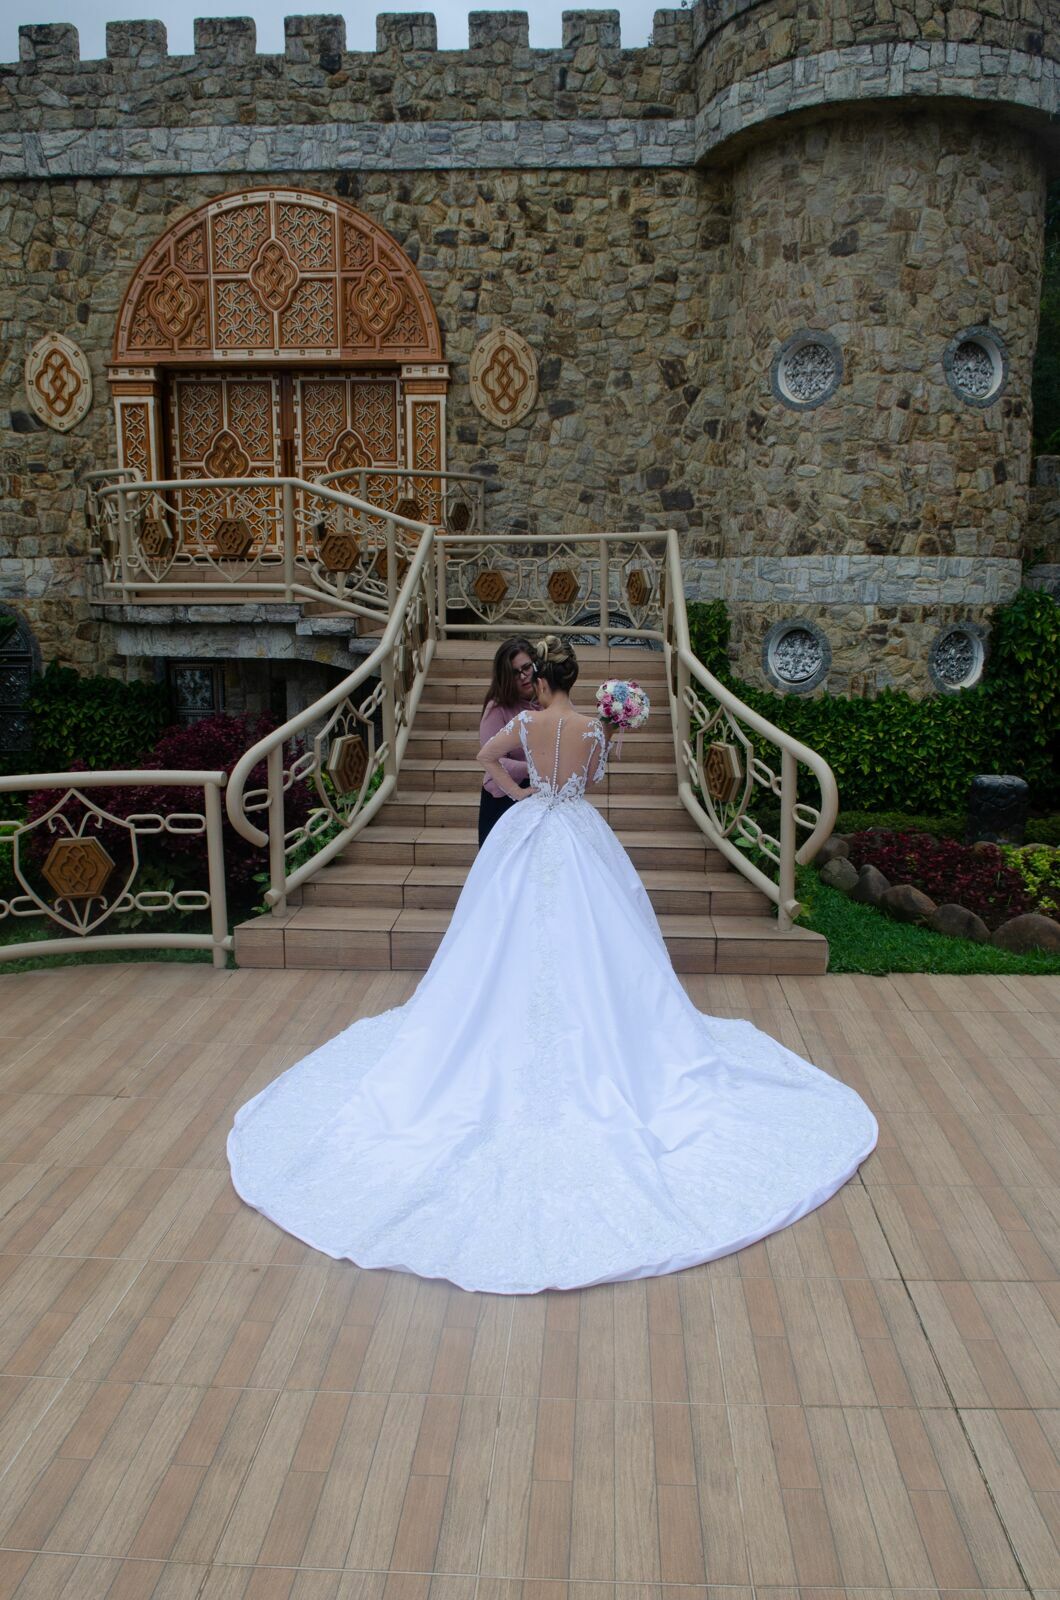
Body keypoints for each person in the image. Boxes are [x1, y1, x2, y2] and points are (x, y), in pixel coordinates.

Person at [228, 635, 877, 1295]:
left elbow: (485, 758)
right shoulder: (593, 729)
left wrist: (519, 792)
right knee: (600, 936)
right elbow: (592, 780)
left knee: (498, 935)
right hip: (577, 831)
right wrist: (589, 762)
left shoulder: (524, 723)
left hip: (529, 827)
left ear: (542, 681)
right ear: (582, 683)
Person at [477, 636, 537, 847]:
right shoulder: (497, 708)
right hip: (502, 796)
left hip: (540, 793)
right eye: (514, 673)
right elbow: (492, 759)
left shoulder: (548, 698)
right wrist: (532, 768)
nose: (523, 676)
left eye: (526, 668)